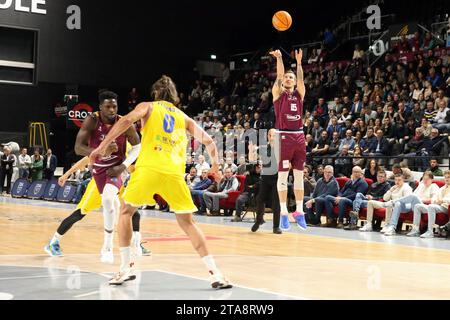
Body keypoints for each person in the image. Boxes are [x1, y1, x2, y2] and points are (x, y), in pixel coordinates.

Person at [89, 76, 232, 289]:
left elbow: (126, 120)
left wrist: (102, 146)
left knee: (126, 212)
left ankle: (126, 268)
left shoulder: (147, 106)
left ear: (156, 93)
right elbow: (209, 141)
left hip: (149, 168)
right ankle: (215, 273)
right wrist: (216, 168)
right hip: (174, 173)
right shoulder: (184, 117)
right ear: (173, 96)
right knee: (188, 223)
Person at [45, 91, 144, 264]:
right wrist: (69, 172)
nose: (112, 110)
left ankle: (130, 243)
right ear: (100, 108)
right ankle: (54, 241)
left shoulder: (125, 127)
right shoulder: (92, 121)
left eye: (115, 106)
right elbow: (81, 153)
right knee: (81, 213)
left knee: (129, 207)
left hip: (116, 173)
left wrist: (123, 166)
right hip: (98, 176)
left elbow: (138, 149)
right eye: (108, 106)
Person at [270, 49, 307, 231]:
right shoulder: (278, 93)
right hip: (283, 136)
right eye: (286, 77)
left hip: (299, 136)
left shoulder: (299, 94)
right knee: (283, 176)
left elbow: (300, 80)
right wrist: (279, 58)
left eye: (290, 78)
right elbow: (278, 75)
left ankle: (299, 211)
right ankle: (284, 212)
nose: (288, 79)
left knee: (299, 176)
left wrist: (299, 63)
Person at [382, 171, 440, 236]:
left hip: (425, 206)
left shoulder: (434, 186)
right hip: (413, 205)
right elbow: (412, 196)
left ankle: (392, 202)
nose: (425, 181)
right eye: (424, 179)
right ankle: (392, 227)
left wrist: (421, 199)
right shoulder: (421, 186)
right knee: (398, 204)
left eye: (427, 179)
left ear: (431, 180)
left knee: (413, 197)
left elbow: (433, 200)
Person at [249, 130, 282, 234]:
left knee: (276, 203)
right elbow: (252, 159)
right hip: (265, 177)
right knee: (260, 199)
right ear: (268, 136)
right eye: (270, 135)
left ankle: (276, 226)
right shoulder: (263, 148)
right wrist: (251, 150)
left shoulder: (280, 148)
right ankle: (259, 220)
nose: (272, 137)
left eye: (274, 135)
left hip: (277, 178)